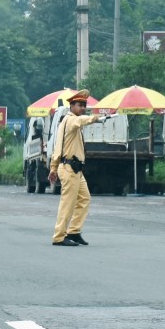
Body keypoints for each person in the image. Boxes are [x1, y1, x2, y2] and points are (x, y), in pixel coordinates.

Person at [48, 89, 107, 246]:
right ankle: (59, 236)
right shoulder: (71, 119)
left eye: (84, 105)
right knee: (68, 203)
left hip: (75, 169)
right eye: (79, 105)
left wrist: (53, 168)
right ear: (71, 106)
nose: (82, 108)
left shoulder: (70, 122)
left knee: (84, 199)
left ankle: (74, 231)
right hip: (69, 168)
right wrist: (96, 118)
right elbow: (81, 121)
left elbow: (57, 147)